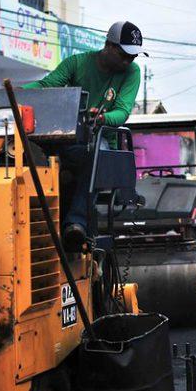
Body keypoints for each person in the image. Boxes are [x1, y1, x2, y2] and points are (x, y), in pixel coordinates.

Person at [23, 21, 145, 250]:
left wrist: (102, 119)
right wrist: (19, 94)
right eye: (124, 55)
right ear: (108, 46)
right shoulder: (77, 63)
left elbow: (122, 111)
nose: (128, 61)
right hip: (70, 139)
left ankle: (76, 224)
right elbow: (47, 85)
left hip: (102, 141)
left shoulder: (132, 72)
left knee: (95, 156)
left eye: (133, 57)